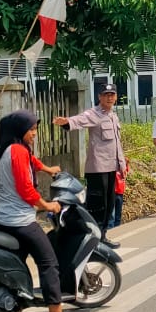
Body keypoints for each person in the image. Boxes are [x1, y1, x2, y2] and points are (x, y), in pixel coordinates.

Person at [0, 110, 81, 312]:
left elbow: (31, 161)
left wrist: (48, 169)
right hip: (19, 222)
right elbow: (25, 189)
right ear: (20, 131)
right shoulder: (18, 150)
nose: (34, 134)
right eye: (31, 130)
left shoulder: (8, 149)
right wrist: (47, 205)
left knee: (13, 264)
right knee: (49, 263)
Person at [54, 83, 126, 249]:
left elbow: (117, 144)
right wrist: (67, 122)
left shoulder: (113, 116)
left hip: (111, 167)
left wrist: (121, 165)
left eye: (112, 94)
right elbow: (80, 119)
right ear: (99, 97)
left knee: (109, 204)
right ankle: (94, 237)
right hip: (97, 168)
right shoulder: (94, 114)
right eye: (106, 94)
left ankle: (102, 235)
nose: (109, 97)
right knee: (98, 205)